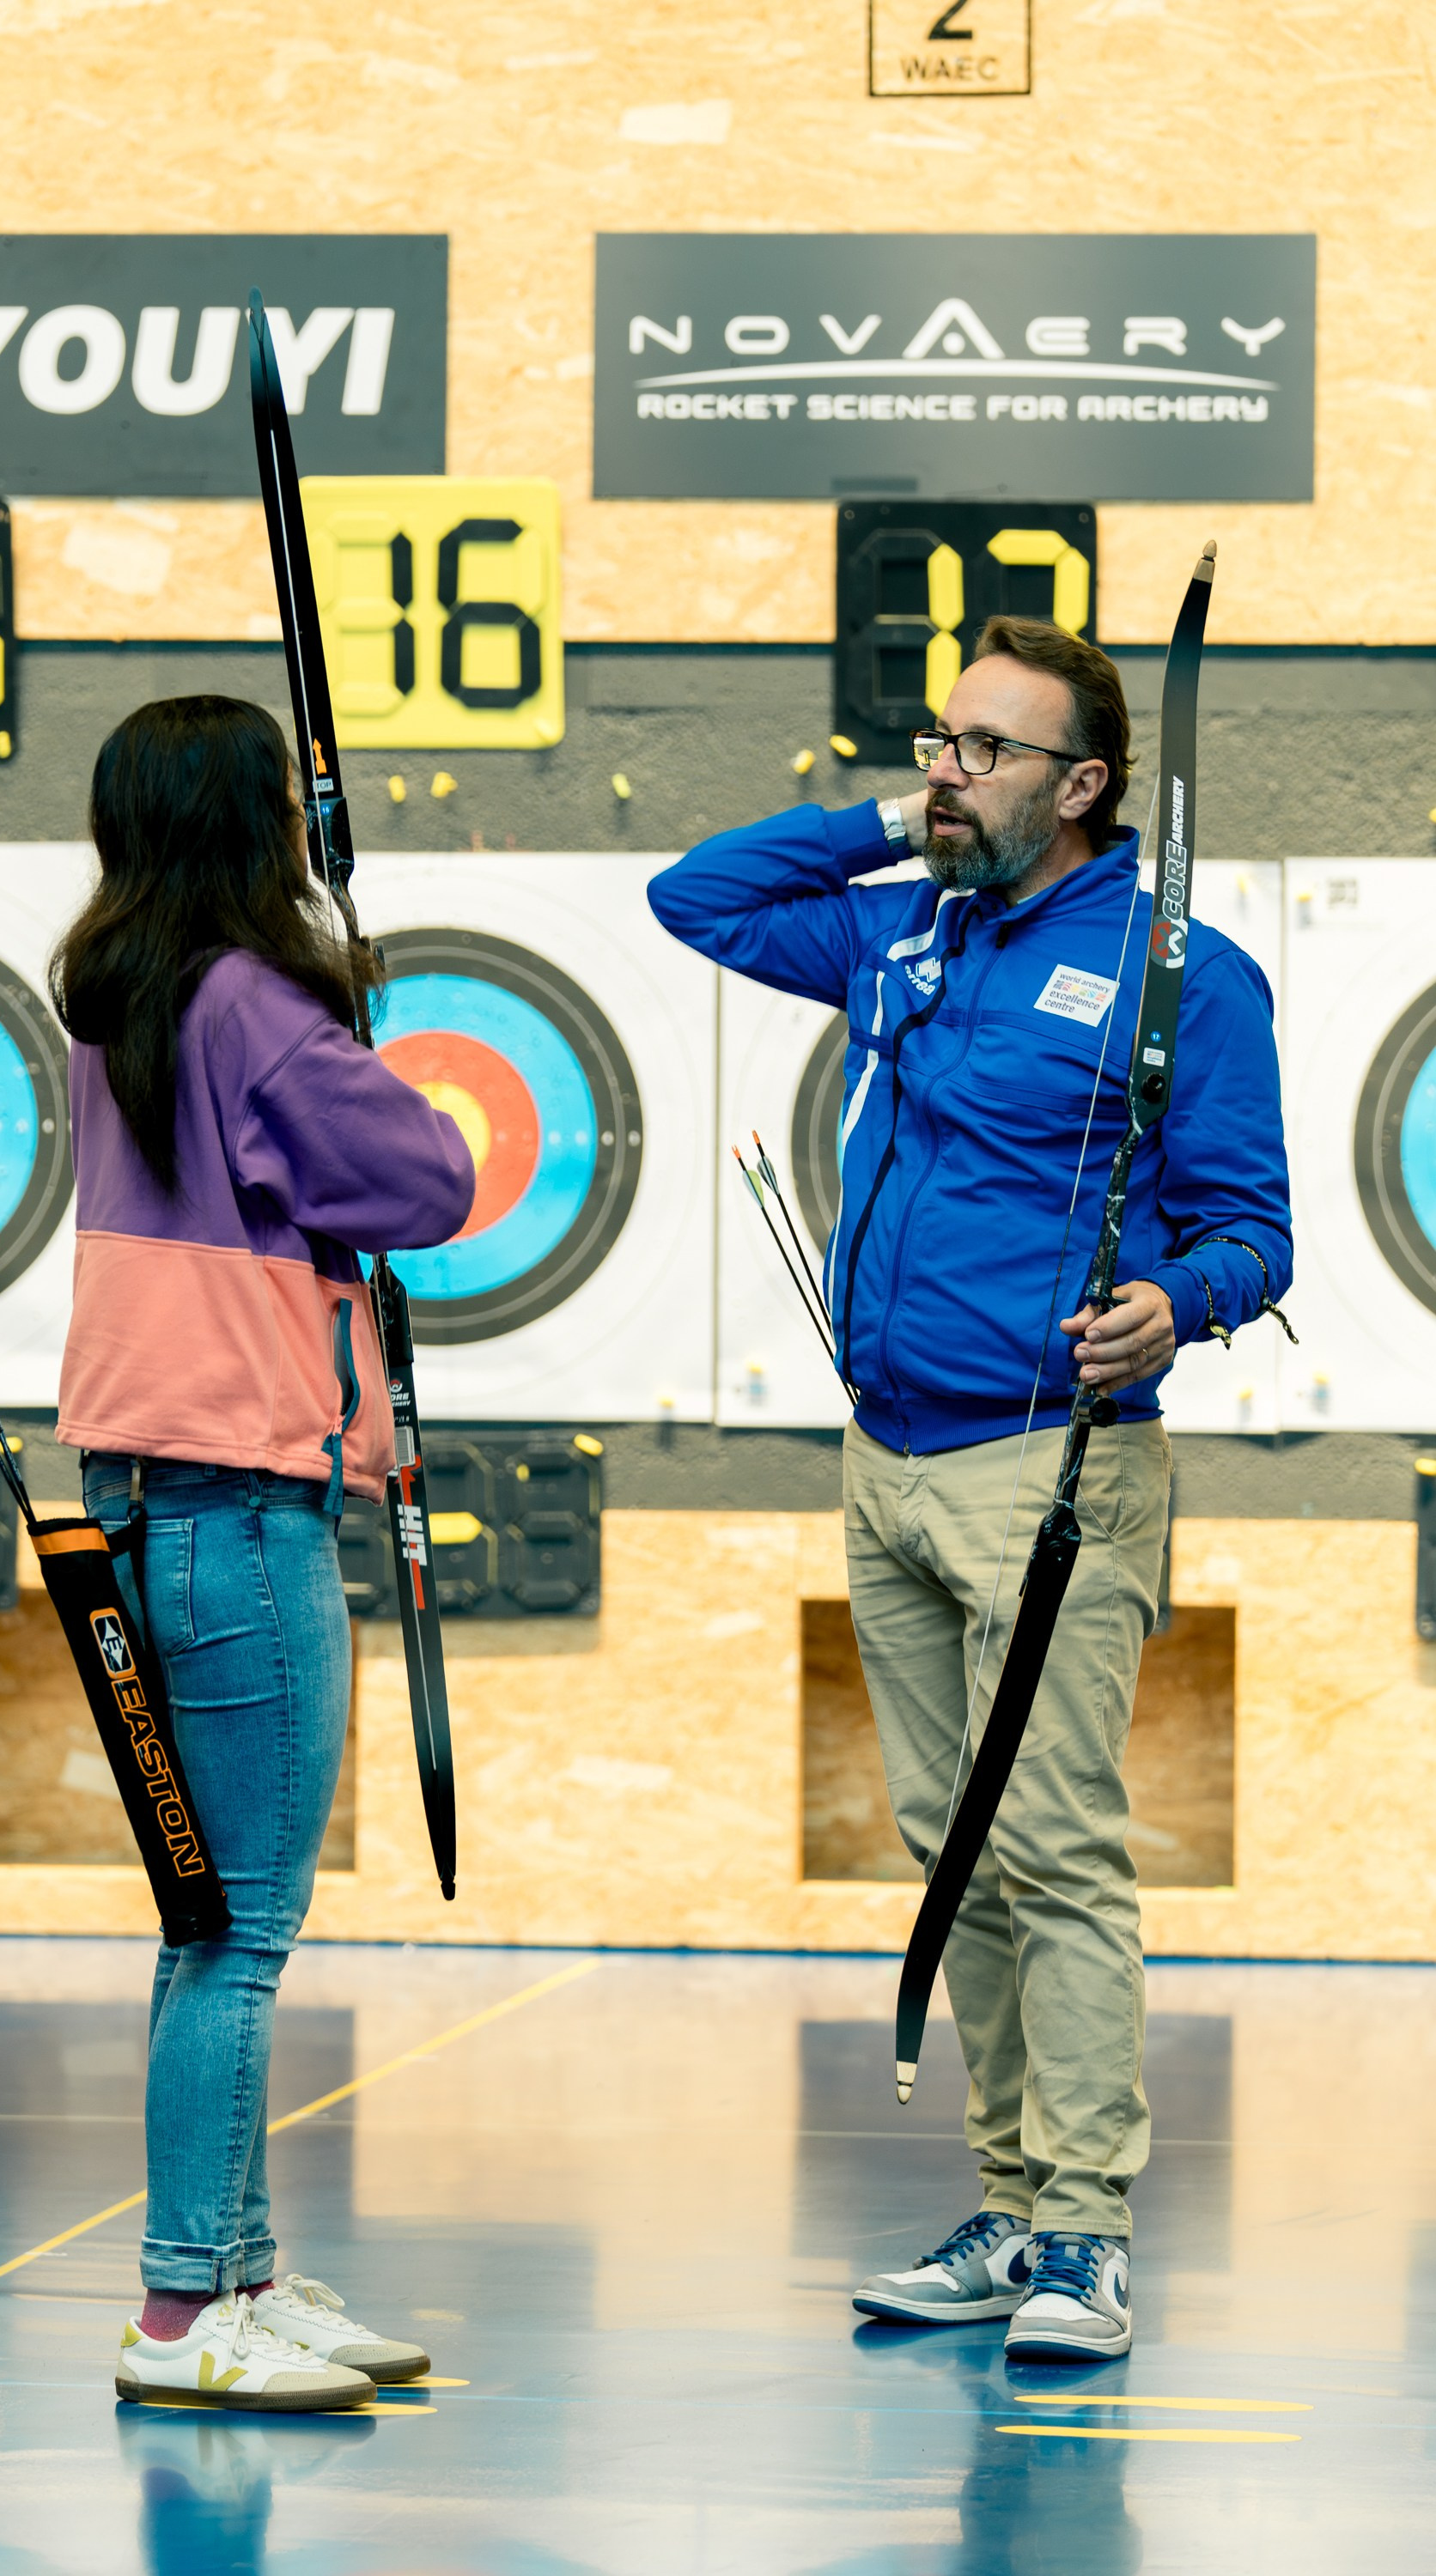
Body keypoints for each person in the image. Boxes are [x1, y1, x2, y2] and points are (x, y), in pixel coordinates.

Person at [649, 618, 1291, 2362]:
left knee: (1056, 1849)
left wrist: (1185, 1298)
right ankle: (1012, 2211)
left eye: (991, 751)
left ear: (1085, 785)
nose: (952, 770)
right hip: (888, 1459)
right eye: (943, 738)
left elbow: (1253, 1226)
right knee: (954, 1856)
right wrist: (893, 814)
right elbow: (689, 896)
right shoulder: (901, 929)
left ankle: (1087, 2235)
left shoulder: (1183, 976)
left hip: (1050, 1465)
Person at [51, 695, 475, 2410]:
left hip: (143, 1505)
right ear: (258, 832)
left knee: (200, 1924)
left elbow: (287, 1195)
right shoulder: (253, 1003)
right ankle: (182, 2312)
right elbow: (434, 1177)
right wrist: (345, 1019)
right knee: (237, 1934)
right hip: (239, 1510)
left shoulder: (122, 1003)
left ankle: (235, 2270)